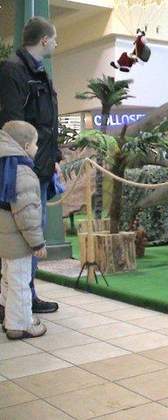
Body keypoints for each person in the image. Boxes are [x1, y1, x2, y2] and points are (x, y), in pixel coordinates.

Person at [0, 16, 61, 314]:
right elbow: (13, 124)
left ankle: (21, 297)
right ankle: (19, 302)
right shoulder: (14, 70)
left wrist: (55, 157)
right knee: (23, 236)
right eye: (55, 39)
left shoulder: (38, 71)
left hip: (41, 165)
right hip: (25, 169)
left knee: (29, 232)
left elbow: (47, 124)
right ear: (44, 40)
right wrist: (25, 163)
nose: (57, 44)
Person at [0, 121, 47, 339]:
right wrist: (37, 243)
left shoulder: (5, 165)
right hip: (17, 240)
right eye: (36, 144)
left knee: (8, 278)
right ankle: (20, 325)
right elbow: (27, 214)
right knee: (20, 281)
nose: (37, 148)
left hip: (4, 239)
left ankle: (8, 314)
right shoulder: (22, 170)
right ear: (26, 146)